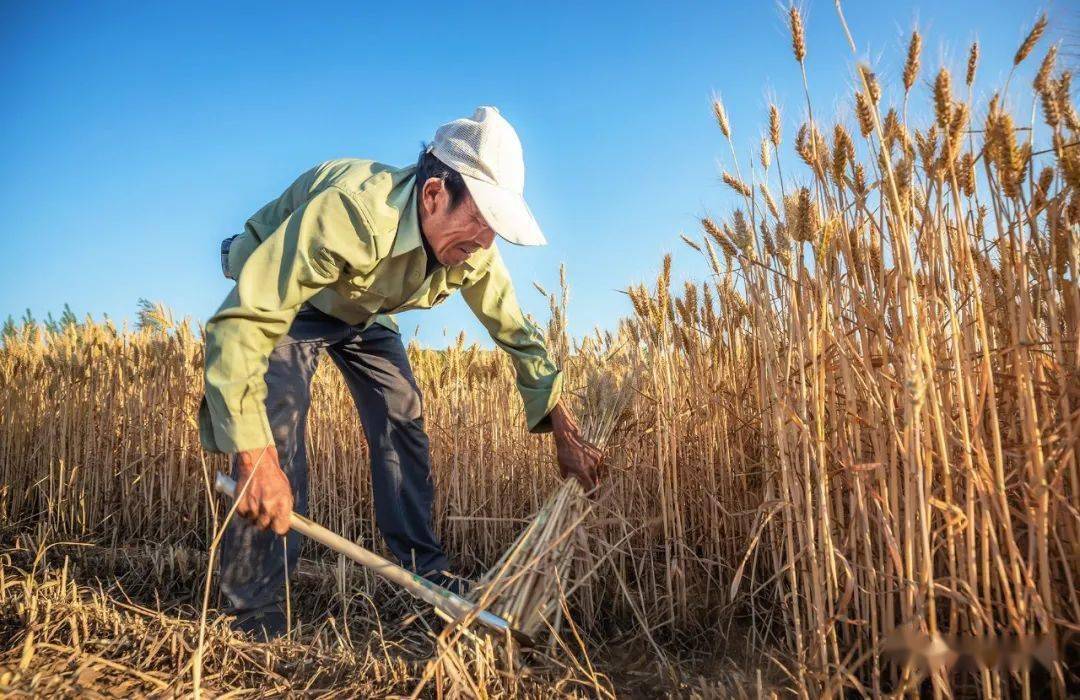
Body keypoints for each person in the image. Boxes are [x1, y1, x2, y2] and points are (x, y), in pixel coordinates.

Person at [199, 106, 604, 638]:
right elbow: (244, 324)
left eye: (496, 230)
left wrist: (562, 427)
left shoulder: (472, 252)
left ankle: (423, 573)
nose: (486, 241)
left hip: (364, 305)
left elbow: (516, 332)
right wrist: (252, 456)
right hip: (292, 292)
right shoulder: (352, 214)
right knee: (274, 435)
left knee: (402, 416)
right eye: (482, 220)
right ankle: (253, 608)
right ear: (434, 193)